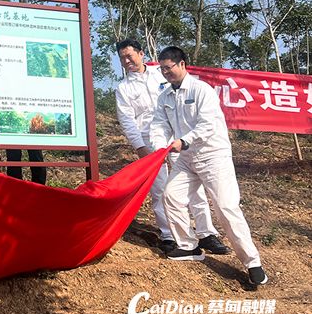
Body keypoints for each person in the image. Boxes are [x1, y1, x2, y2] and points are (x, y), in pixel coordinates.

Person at [150, 46, 267, 285]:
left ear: (182, 64)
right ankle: (188, 246)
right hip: (186, 159)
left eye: (169, 68)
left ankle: (252, 262)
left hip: (213, 156)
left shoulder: (201, 90)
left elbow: (208, 124)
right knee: (171, 196)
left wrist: (184, 140)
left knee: (226, 208)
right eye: (162, 69)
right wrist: (159, 147)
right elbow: (159, 125)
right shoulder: (165, 97)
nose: (165, 72)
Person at [114, 39, 227, 255]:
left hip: (178, 137)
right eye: (122, 58)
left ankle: (206, 233)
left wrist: (184, 138)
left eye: (129, 55)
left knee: (193, 186)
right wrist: (140, 147)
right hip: (150, 142)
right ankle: (169, 235)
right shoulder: (123, 88)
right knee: (160, 189)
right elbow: (127, 120)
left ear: (141, 54)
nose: (126, 61)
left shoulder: (161, 73)